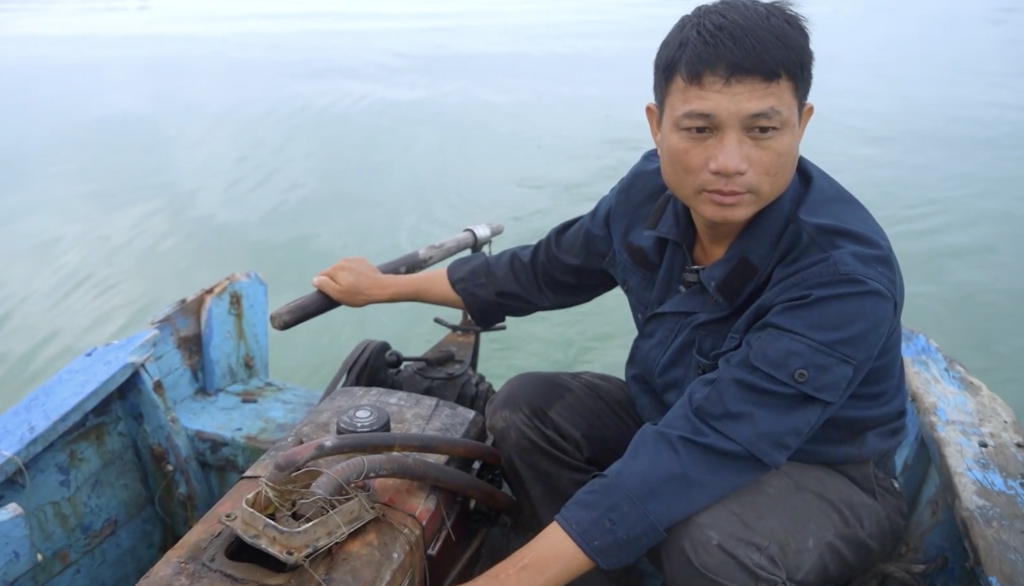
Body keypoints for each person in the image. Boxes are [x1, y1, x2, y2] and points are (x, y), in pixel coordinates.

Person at [311, 1, 909, 584]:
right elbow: (543, 271)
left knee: (710, 544)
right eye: (699, 129)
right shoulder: (650, 192)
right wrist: (387, 287)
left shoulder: (844, 278)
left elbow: (709, 444)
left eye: (762, 130)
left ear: (802, 124)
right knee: (524, 408)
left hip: (829, 474)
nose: (729, 162)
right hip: (673, 415)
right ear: (657, 124)